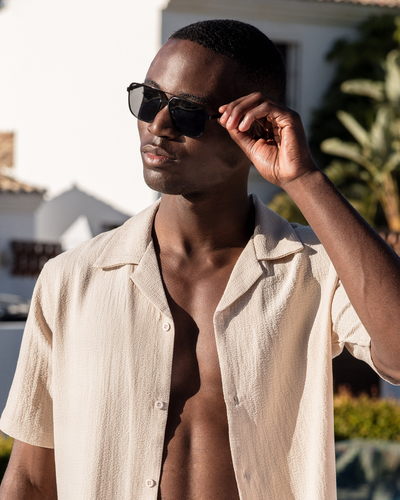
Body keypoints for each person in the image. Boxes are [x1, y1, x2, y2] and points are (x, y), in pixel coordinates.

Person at [1, 19, 400, 500]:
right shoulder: (71, 280)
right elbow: (28, 478)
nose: (158, 125)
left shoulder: (314, 269)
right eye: (148, 99)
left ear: (254, 127)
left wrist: (303, 179)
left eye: (188, 112)